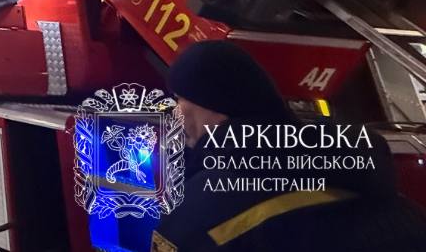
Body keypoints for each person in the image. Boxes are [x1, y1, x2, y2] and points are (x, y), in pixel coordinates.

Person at [152, 41, 426, 251]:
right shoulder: (357, 172)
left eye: (180, 98)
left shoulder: (210, 203)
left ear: (215, 105)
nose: (175, 112)